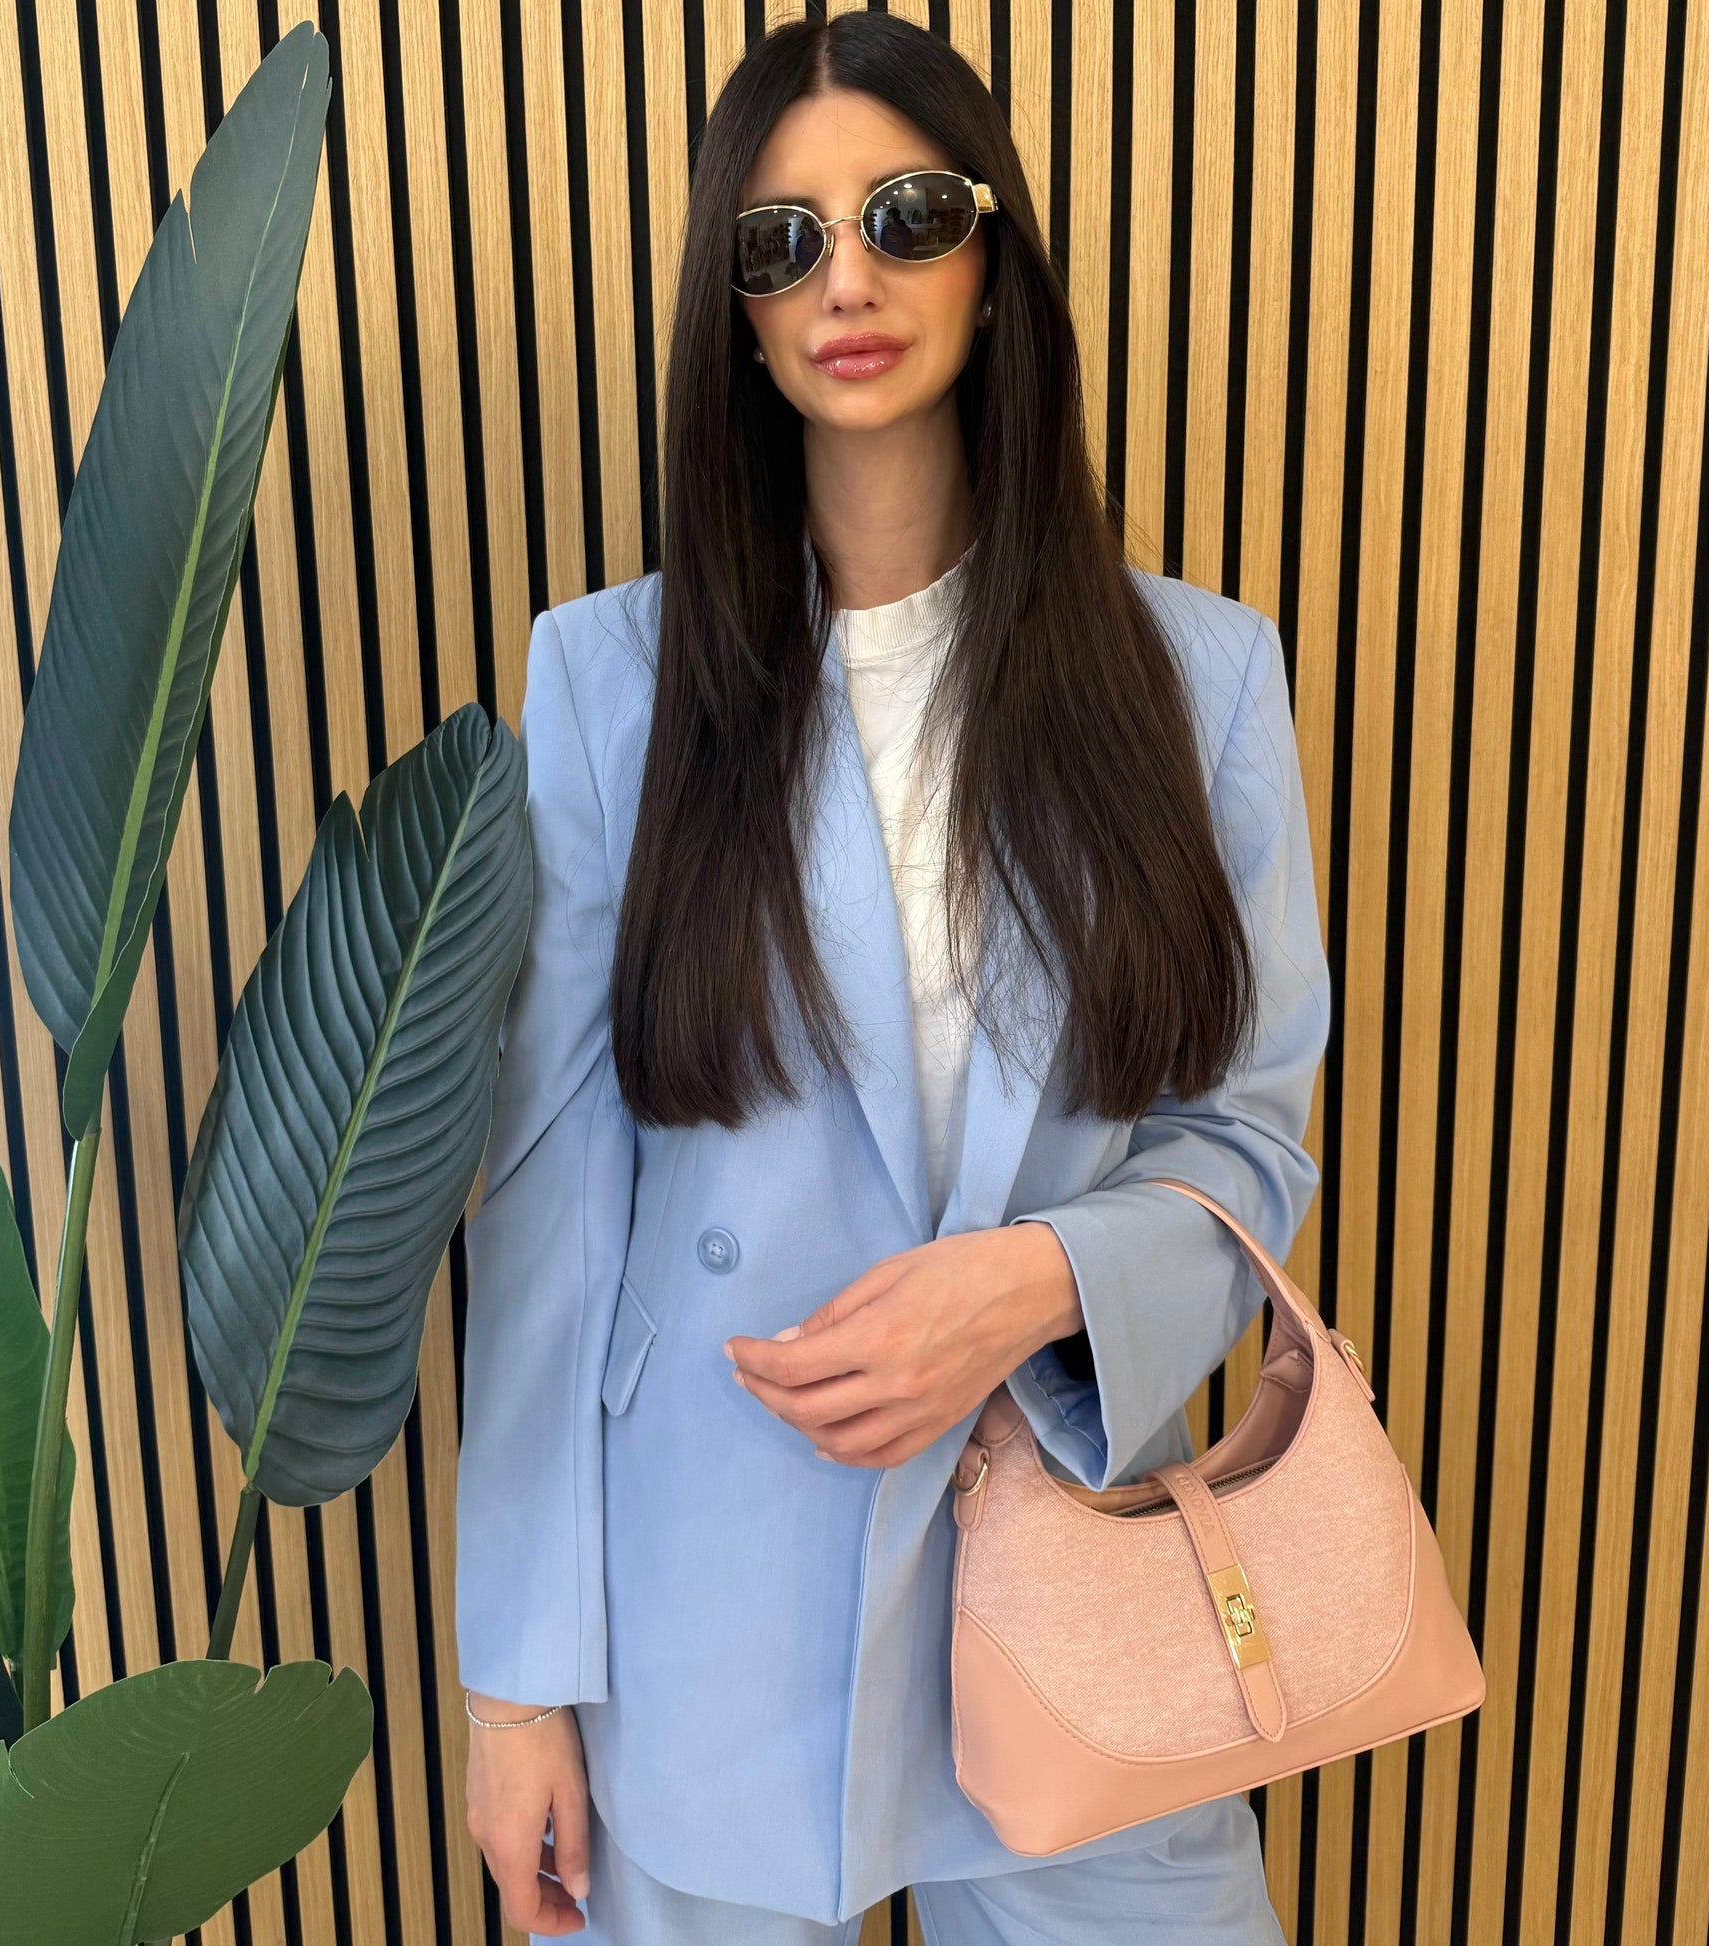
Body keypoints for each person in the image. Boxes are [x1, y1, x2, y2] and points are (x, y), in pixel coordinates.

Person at [455, 14, 1326, 1942]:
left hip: (1070, 1562)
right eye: (781, 242)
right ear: (740, 319)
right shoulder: (611, 685)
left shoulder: (1196, 682)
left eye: (906, 214)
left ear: (993, 263)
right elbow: (548, 1204)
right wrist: (515, 1682)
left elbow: (1247, 1140)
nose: (844, 278)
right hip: (704, 1592)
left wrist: (1035, 1281)